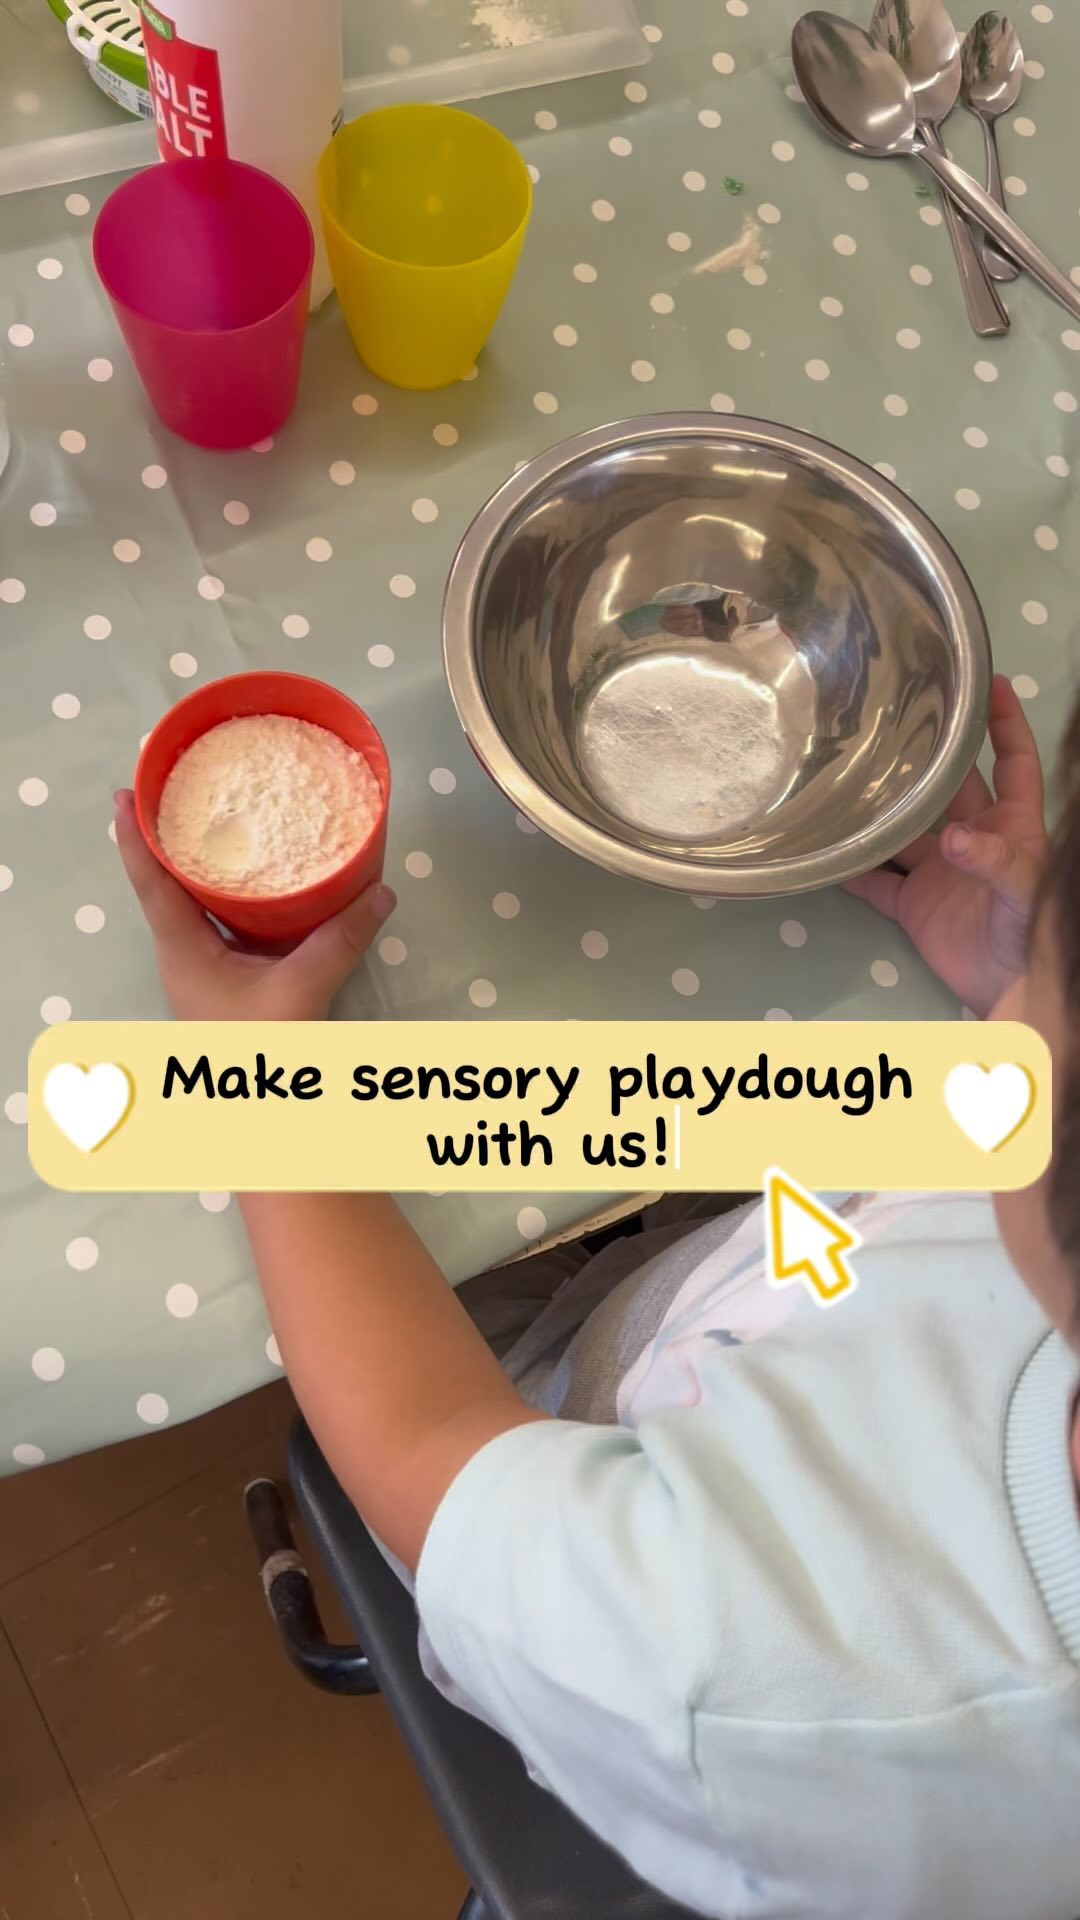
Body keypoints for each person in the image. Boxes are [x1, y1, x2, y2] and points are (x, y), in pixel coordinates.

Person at [114, 672, 1080, 1920]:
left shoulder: (733, 1663)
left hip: (557, 1439)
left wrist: (262, 1077)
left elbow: (424, 1442)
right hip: (788, 1268)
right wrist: (1013, 979)